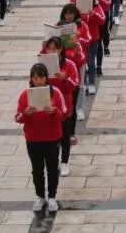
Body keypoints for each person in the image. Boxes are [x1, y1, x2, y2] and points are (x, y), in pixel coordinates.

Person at [15, 62, 66, 213]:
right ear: (31, 79)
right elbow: (17, 117)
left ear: (46, 78)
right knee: (37, 170)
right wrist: (25, 114)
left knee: (52, 168)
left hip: (52, 138)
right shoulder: (25, 95)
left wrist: (53, 111)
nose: (38, 81)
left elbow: (63, 114)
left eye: (41, 77)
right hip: (33, 139)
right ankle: (40, 196)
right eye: (35, 78)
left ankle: (51, 197)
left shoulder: (55, 92)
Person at [41, 36, 80, 177]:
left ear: (61, 49)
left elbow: (74, 86)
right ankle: (55, 161)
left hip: (65, 106)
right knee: (52, 137)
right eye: (49, 48)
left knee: (64, 137)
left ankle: (64, 162)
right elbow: (35, 83)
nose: (52, 51)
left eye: (55, 48)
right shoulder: (43, 65)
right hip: (48, 107)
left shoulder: (69, 65)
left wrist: (64, 79)